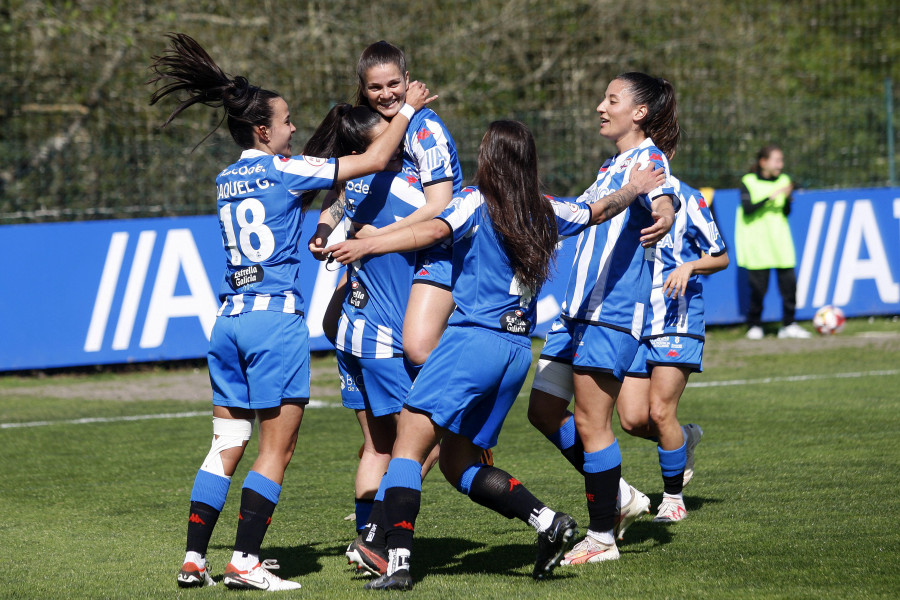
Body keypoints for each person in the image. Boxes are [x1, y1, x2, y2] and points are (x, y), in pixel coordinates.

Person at [325, 121, 666, 590]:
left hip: (473, 341)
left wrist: (368, 243)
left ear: (488, 157)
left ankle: (397, 561)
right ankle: (548, 523)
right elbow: (596, 210)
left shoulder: (474, 200)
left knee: (407, 445)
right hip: (515, 350)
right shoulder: (545, 210)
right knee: (458, 463)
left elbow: (428, 230)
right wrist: (636, 187)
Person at [148, 32, 431, 591]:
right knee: (277, 449)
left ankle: (193, 558)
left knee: (225, 445)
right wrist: (411, 111)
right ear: (263, 131)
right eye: (285, 121)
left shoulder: (225, 178)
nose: (293, 129)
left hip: (226, 321)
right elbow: (375, 157)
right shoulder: (284, 169)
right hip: (273, 323)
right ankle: (246, 560)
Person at [526, 72, 680, 566]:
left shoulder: (648, 157)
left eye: (611, 99)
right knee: (543, 411)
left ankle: (602, 538)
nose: (600, 106)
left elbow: (664, 195)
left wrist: (665, 211)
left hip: (609, 314)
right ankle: (621, 496)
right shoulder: (611, 165)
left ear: (639, 113)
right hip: (575, 313)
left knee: (594, 423)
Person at [529, 178, 727, 536]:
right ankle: (681, 439)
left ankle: (673, 498)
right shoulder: (622, 190)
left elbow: (721, 256)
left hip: (674, 316)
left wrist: (689, 267)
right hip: (635, 318)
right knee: (633, 420)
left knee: (659, 411)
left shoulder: (689, 199)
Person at [302, 103, 437, 548]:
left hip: (349, 335)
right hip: (383, 338)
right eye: (390, 135)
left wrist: (325, 231)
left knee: (377, 447)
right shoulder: (410, 190)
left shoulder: (355, 184)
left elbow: (338, 198)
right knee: (424, 445)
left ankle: (363, 537)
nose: (400, 139)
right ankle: (376, 536)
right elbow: (445, 218)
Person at [310, 40, 463, 369]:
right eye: (375, 87)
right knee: (333, 327)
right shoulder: (366, 126)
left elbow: (439, 208)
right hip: (384, 249)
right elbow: (341, 188)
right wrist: (324, 230)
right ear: (364, 90)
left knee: (418, 348)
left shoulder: (426, 129)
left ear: (407, 80)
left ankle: (464, 402)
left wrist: (375, 239)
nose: (387, 94)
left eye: (394, 84)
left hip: (436, 247)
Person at [736, 145, 810, 340]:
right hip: (757, 243)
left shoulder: (784, 181)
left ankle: (789, 324)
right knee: (759, 289)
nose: (780, 165)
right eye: (776, 160)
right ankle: (755, 325)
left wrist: (786, 199)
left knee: (789, 286)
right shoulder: (748, 181)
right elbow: (748, 208)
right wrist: (772, 196)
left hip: (780, 241)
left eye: (781, 161)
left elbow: (785, 212)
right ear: (763, 162)